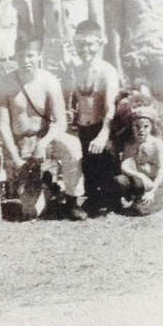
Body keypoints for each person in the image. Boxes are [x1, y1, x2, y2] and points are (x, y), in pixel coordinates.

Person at [0, 37, 85, 220]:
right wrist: (15, 157)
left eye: (30, 55)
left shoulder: (49, 80)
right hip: (21, 143)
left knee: (72, 145)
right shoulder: (5, 83)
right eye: (21, 56)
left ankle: (72, 199)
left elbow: (61, 121)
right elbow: (3, 125)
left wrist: (43, 143)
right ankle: (48, 188)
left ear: (38, 55)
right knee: (31, 212)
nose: (26, 60)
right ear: (15, 57)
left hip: (46, 139)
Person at [66, 20, 120, 216]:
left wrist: (103, 135)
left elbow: (110, 107)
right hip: (83, 129)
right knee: (87, 171)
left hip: (102, 128)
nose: (85, 49)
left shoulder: (107, 71)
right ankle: (92, 197)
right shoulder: (77, 70)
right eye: (80, 44)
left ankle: (111, 197)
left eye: (89, 44)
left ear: (100, 43)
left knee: (106, 176)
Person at [114, 105, 163, 215]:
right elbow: (125, 166)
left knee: (141, 210)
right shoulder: (129, 144)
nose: (141, 130)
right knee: (119, 180)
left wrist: (152, 191)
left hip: (153, 183)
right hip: (138, 182)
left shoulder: (156, 143)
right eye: (137, 126)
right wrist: (140, 176)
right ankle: (135, 198)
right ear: (131, 126)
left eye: (146, 126)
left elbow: (162, 169)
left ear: (152, 127)